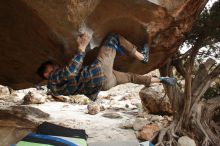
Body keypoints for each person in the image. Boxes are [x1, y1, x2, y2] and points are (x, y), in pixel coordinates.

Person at [37, 33, 176, 101]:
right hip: (99, 73)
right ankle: (142, 57)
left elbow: (72, 77)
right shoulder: (53, 78)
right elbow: (70, 72)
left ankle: (163, 80)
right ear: (46, 74)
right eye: (52, 67)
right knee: (113, 38)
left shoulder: (56, 88)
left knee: (131, 77)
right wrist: (82, 49)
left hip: (104, 85)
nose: (55, 67)